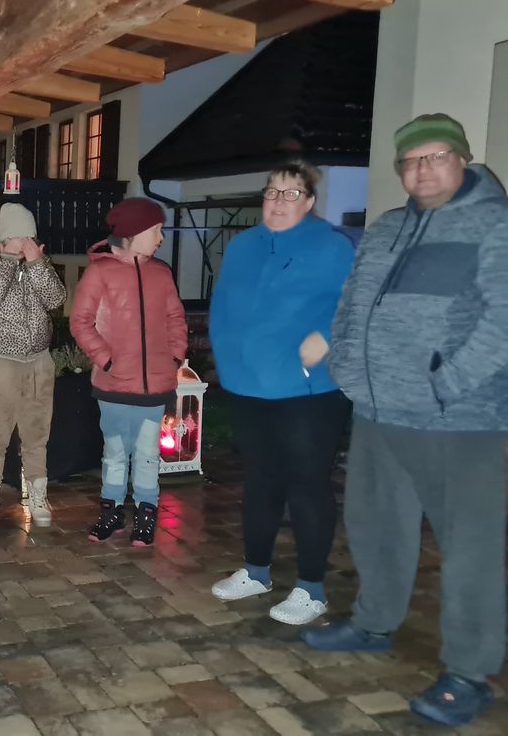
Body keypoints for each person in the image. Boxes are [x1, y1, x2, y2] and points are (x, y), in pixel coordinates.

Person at [302, 115, 508, 728]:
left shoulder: (495, 224)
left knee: (470, 547)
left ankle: (468, 672)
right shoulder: (387, 228)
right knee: (375, 524)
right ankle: (374, 622)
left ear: (463, 159)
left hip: (459, 419)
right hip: (376, 407)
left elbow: (502, 322)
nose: (423, 170)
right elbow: (352, 304)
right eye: (411, 161)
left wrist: (445, 382)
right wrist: (345, 366)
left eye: (436, 156)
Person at [207, 159, 354, 625]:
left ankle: (311, 588)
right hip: (248, 385)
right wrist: (226, 359)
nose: (278, 201)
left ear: (309, 202)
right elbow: (223, 304)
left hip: (306, 391)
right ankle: (256, 571)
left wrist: (326, 337)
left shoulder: (332, 246)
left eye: (291, 194)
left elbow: (357, 303)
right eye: (272, 192)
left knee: (307, 485)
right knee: (260, 481)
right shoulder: (243, 245)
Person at [71, 198, 186, 546]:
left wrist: (175, 357)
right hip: (114, 386)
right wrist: (106, 360)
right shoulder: (100, 273)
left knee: (148, 453)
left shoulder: (161, 274)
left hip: (154, 388)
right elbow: (81, 321)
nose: (161, 238)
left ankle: (146, 513)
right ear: (134, 233)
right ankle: (112, 511)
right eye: (156, 230)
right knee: (116, 452)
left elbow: (175, 318)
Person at [0, 202, 66, 530]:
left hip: (38, 361)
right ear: (4, 238)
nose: (25, 243)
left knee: (37, 434)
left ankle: (37, 495)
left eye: (29, 237)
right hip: (0, 362)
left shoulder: (39, 263)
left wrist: (37, 263)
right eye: (19, 237)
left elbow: (55, 299)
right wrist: (9, 259)